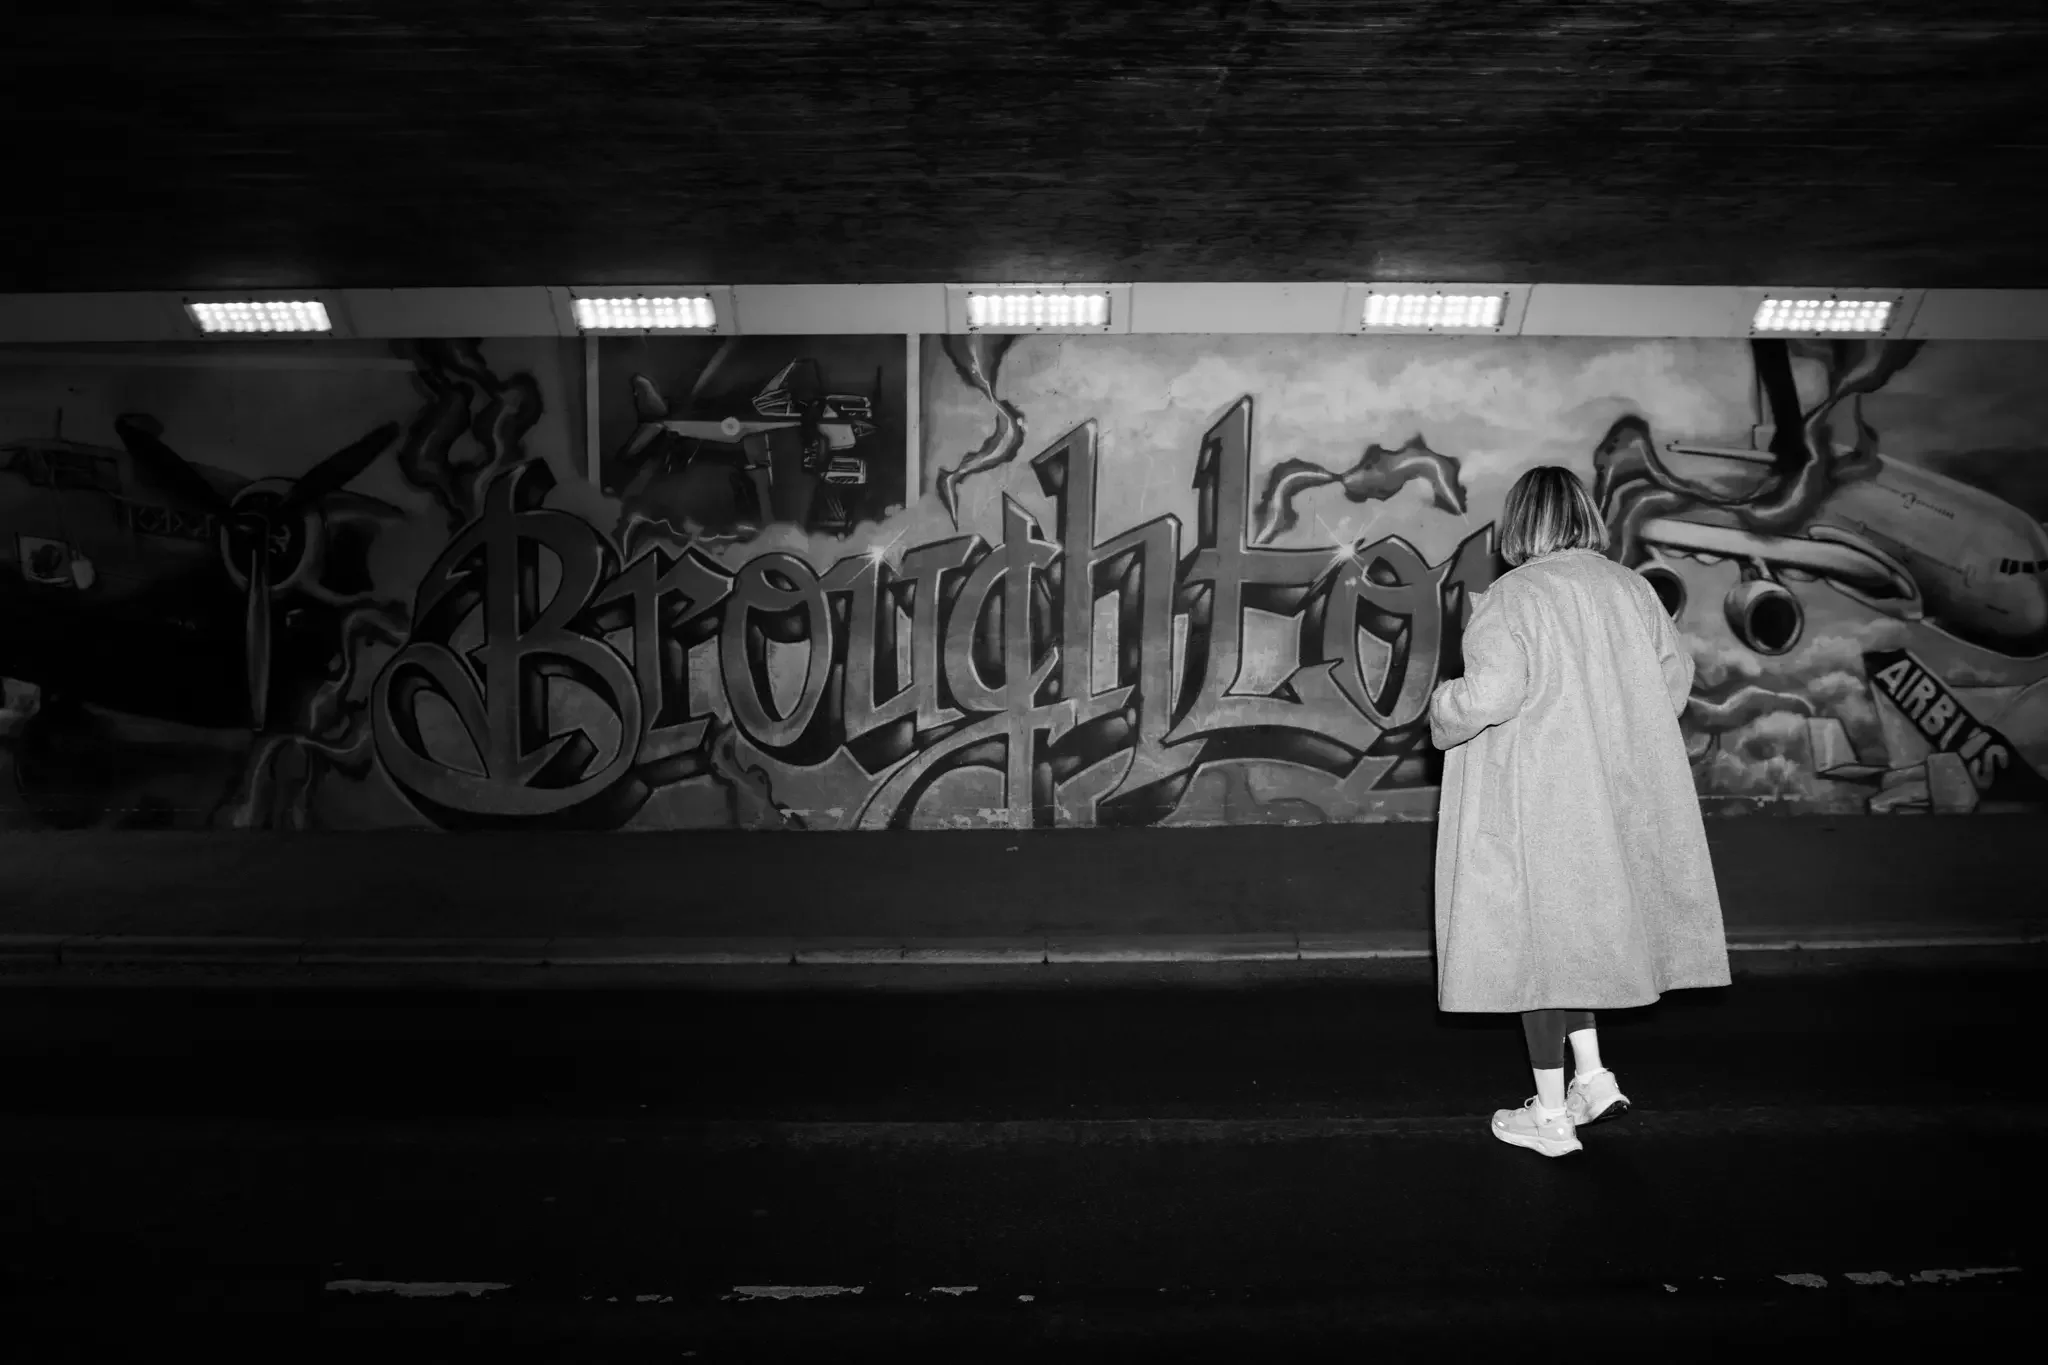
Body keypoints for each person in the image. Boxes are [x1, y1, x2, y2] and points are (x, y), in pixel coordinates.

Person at [1429, 465, 1730, 1158]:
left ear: (1519, 522)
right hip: (1612, 796)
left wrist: (1442, 706)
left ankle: (1553, 1115)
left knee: (1538, 949)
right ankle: (1594, 1076)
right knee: (1581, 938)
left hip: (1539, 796)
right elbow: (1673, 687)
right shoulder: (1634, 590)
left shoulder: (1513, 596)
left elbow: (1492, 696)